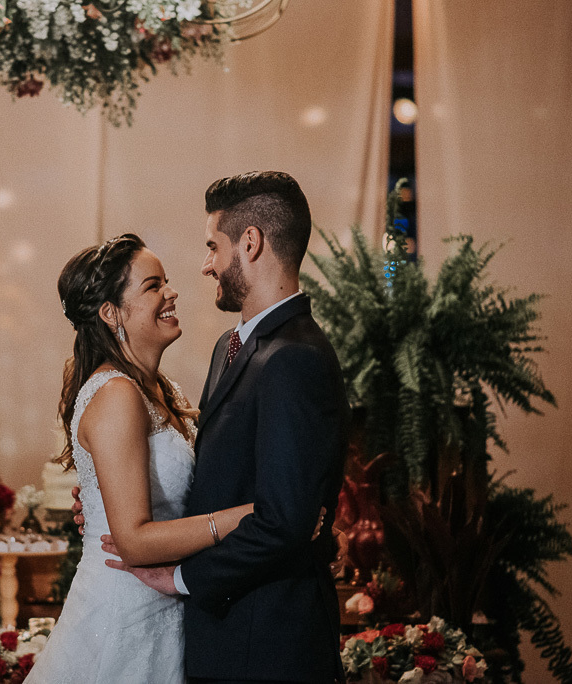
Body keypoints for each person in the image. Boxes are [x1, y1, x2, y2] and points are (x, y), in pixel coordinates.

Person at [93, 171, 350, 683]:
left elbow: (284, 522)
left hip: (269, 646)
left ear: (250, 243)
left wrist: (183, 577)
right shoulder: (230, 349)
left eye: (214, 246)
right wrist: (116, 500)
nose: (206, 264)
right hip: (225, 640)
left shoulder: (295, 357)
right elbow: (219, 476)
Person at [25, 233, 258, 683]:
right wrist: (251, 516)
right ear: (111, 313)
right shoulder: (117, 395)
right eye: (153, 286)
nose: (171, 292)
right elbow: (131, 542)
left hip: (164, 604)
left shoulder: (158, 389)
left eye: (166, 282)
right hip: (124, 612)